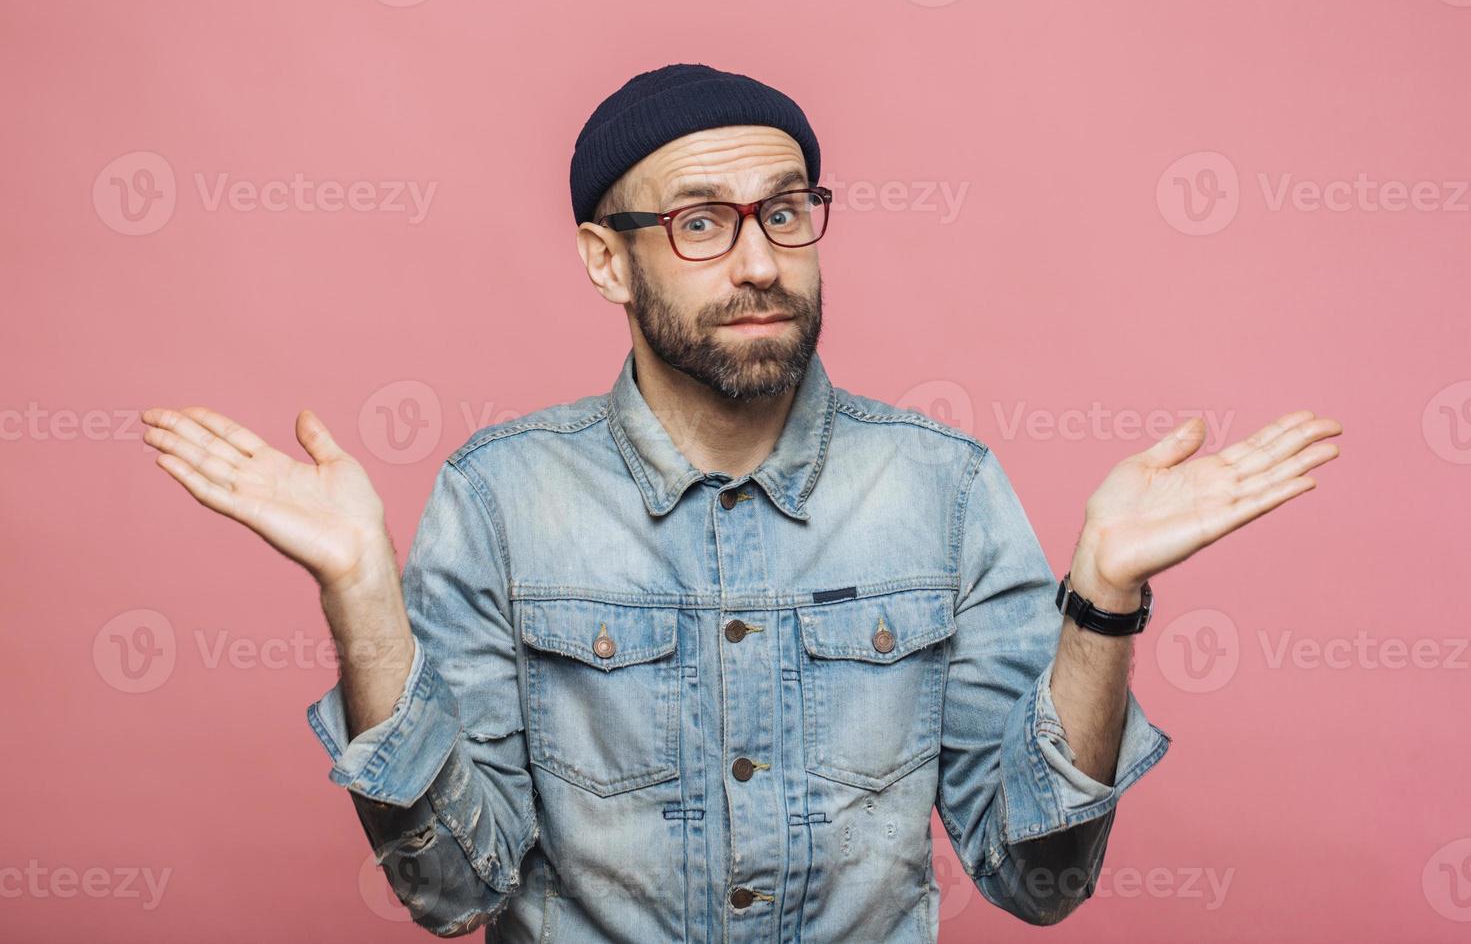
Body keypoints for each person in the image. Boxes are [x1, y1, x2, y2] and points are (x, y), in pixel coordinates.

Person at [140, 62, 1342, 941]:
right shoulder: (499, 496)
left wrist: (1104, 601)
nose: (760, 258)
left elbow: (1038, 878)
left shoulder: (945, 486)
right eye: (700, 224)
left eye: (783, 211)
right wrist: (361, 599)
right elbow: (453, 884)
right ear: (608, 259)